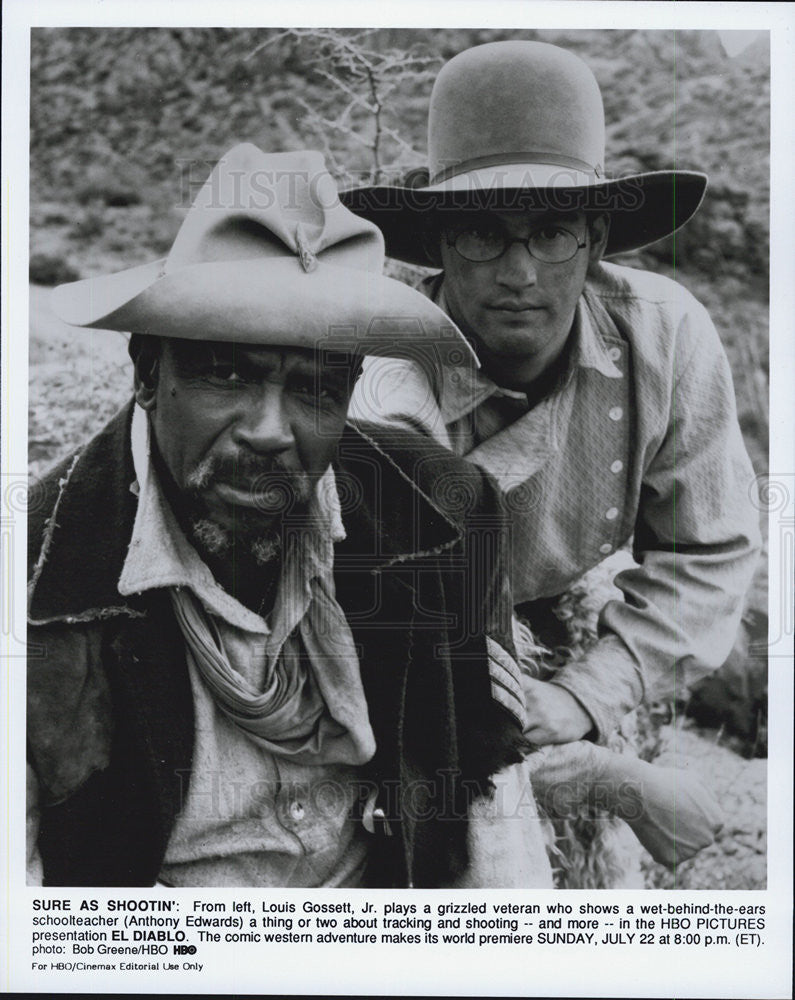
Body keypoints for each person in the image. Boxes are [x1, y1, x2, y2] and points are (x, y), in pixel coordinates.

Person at [27, 143, 554, 888]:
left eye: (313, 387)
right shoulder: (39, 582)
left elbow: (488, 798)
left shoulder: (440, 510)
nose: (270, 430)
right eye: (226, 373)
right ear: (148, 371)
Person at [343, 41, 759, 876]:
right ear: (437, 242)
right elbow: (404, 648)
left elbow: (708, 550)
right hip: (415, 648)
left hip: (568, 623)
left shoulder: (664, 333)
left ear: (596, 236)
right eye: (482, 235)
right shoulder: (381, 382)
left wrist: (586, 695)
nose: (519, 272)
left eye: (552, 232)